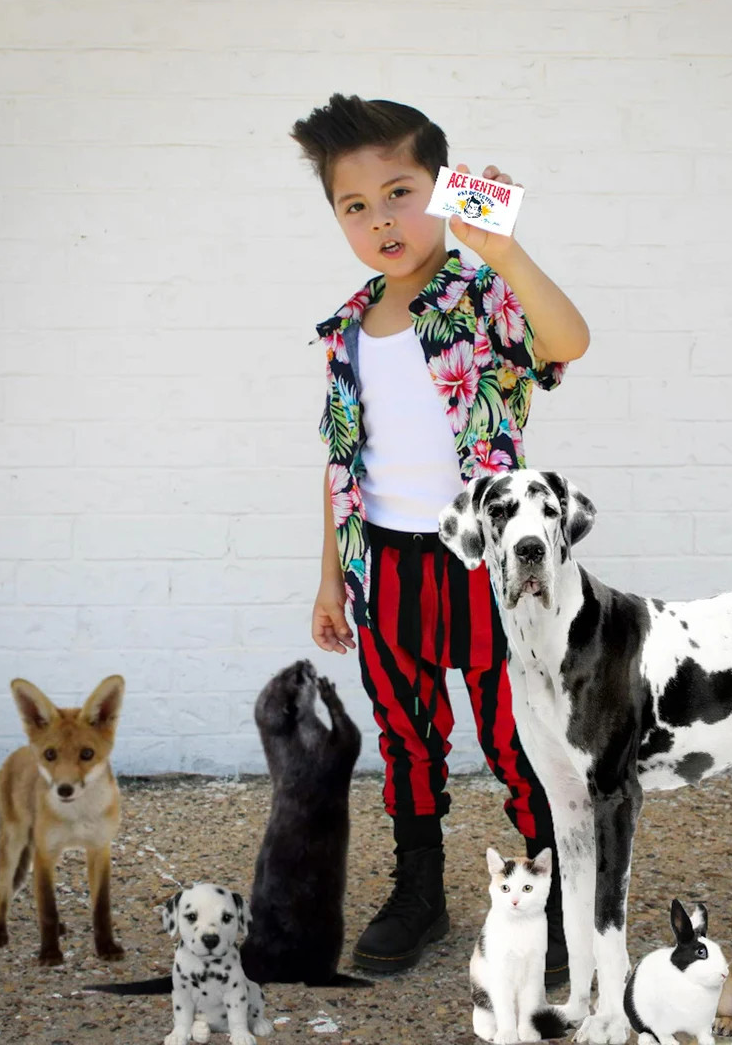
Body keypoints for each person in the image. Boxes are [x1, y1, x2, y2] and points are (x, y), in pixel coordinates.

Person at [292, 93, 590, 983]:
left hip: (486, 569)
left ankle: (560, 889)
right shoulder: (347, 327)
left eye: (401, 192)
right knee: (406, 735)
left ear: (442, 188)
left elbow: (568, 338)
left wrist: (503, 249)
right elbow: (342, 464)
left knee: (514, 736)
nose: (382, 219)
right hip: (384, 569)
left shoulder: (483, 294)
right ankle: (420, 886)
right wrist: (329, 579)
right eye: (357, 205)